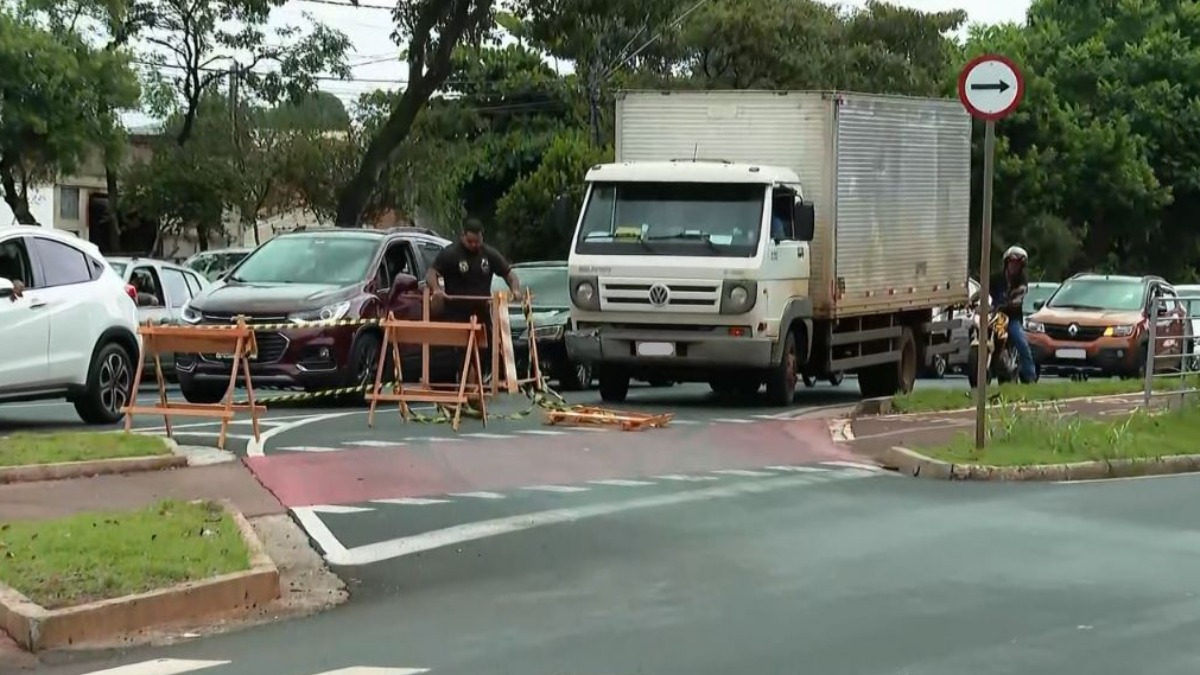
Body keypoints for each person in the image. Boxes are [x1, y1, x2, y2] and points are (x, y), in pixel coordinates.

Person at [425, 219, 523, 377]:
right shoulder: (450, 253)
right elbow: (431, 273)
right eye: (470, 241)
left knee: (486, 350)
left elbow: (509, 275)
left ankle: (480, 381)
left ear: (482, 237)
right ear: (462, 236)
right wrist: (436, 289)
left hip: (481, 311)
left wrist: (515, 290)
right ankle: (466, 383)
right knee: (463, 354)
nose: (474, 245)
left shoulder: (489, 254)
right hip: (457, 312)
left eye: (477, 241)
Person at [986, 245, 1037, 383]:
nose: (1014, 266)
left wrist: (1014, 301)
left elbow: (1021, 292)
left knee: (1021, 342)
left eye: (1018, 264)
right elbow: (983, 292)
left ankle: (1030, 376)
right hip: (997, 317)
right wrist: (972, 300)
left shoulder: (1021, 280)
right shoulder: (996, 278)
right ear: (1006, 263)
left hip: (1012, 318)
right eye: (1012, 263)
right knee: (986, 333)